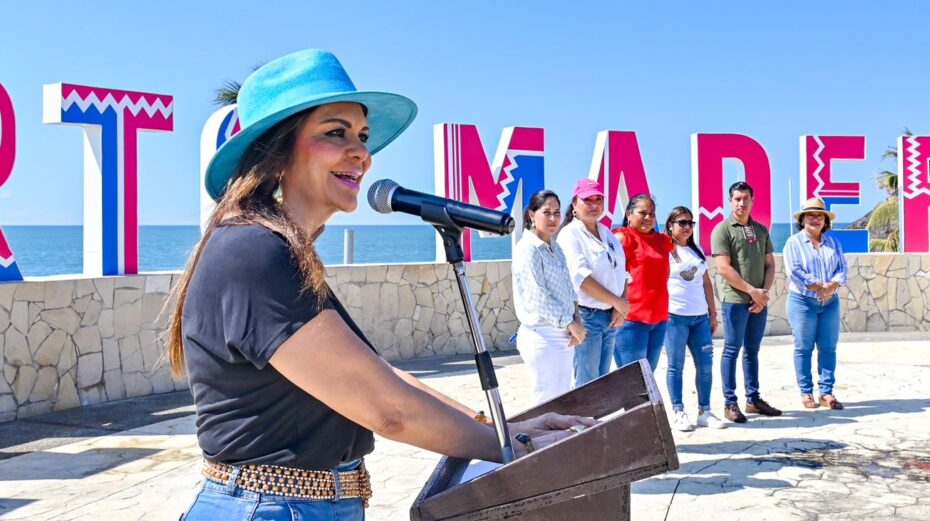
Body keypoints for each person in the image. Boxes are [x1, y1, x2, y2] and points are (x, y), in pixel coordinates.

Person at [166, 49, 592, 520]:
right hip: (270, 508)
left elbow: (385, 381)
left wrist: (508, 427)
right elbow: (387, 408)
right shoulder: (254, 252)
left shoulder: (276, 252)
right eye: (336, 133)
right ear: (275, 150)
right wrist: (514, 445)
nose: (361, 153)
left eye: (363, 137)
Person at [710, 181, 783, 424]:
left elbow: (770, 264)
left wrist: (763, 294)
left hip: (757, 301)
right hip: (735, 300)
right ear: (730, 201)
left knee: (752, 351)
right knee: (732, 349)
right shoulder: (722, 230)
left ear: (752, 200)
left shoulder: (761, 230)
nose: (742, 203)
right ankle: (730, 403)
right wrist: (752, 291)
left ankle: (753, 399)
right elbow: (723, 268)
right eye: (737, 199)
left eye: (746, 199)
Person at [511, 190, 586, 404]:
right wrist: (570, 323)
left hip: (563, 334)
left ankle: (559, 438)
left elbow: (568, 288)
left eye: (556, 212)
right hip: (542, 336)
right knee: (545, 400)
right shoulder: (528, 249)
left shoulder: (556, 247)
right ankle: (544, 439)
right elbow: (538, 296)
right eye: (546, 212)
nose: (553, 218)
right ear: (531, 215)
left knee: (562, 397)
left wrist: (576, 319)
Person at [556, 179, 630, 387]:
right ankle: (582, 420)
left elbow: (622, 272)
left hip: (610, 317)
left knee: (603, 380)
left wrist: (620, 306)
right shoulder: (570, 235)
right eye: (587, 200)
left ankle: (595, 420)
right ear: (575, 204)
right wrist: (617, 302)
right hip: (587, 317)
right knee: (587, 382)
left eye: (598, 199)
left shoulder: (607, 233)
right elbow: (581, 279)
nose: (593, 205)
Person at [662, 206, 726, 432]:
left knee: (705, 366)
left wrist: (712, 313)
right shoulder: (664, 249)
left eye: (691, 223)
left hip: (699, 318)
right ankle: (678, 411)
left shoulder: (696, 250)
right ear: (670, 225)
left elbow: (706, 283)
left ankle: (704, 411)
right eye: (682, 222)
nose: (687, 227)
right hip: (674, 317)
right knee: (675, 366)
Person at [783, 198, 849, 410]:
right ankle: (806, 392)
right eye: (810, 215)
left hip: (830, 302)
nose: (815, 219)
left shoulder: (833, 243)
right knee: (804, 348)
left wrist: (832, 285)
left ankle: (826, 392)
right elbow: (794, 270)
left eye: (819, 215)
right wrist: (818, 286)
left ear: (825, 221)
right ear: (802, 220)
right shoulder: (793, 243)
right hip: (802, 301)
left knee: (829, 348)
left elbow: (842, 268)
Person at [612, 195, 673, 372]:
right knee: (631, 380)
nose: (648, 218)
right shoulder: (622, 237)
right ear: (629, 214)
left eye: (652, 214)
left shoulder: (663, 241)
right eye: (642, 213)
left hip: (659, 319)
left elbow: (664, 274)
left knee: (648, 378)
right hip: (631, 320)